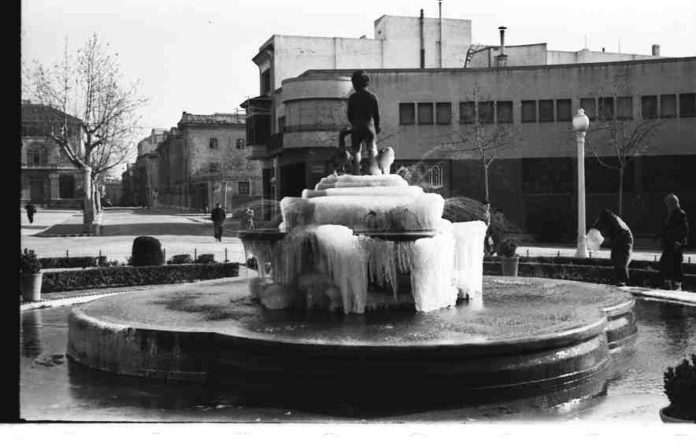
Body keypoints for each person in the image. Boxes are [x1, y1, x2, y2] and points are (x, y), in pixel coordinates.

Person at [347, 70, 381, 175]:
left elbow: (350, 115)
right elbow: (376, 115)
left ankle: (356, 171)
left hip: (356, 127)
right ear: (367, 82)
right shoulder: (372, 97)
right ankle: (374, 170)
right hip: (369, 126)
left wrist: (354, 123)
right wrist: (377, 126)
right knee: (372, 148)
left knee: (356, 151)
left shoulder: (352, 98)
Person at [590, 209, 633, 286]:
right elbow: (598, 225)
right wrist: (593, 229)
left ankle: (624, 281)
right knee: (614, 258)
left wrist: (610, 243)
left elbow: (621, 233)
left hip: (626, 240)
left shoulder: (616, 222)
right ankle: (618, 279)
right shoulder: (607, 219)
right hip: (618, 239)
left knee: (622, 260)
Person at [658, 193, 689, 291]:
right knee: (665, 262)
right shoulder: (669, 214)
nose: (667, 206)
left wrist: (679, 241)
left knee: (676, 263)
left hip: (676, 243)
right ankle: (668, 282)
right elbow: (665, 229)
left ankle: (677, 283)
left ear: (673, 203)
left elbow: (684, 230)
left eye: (668, 204)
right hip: (669, 243)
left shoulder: (680, 214)